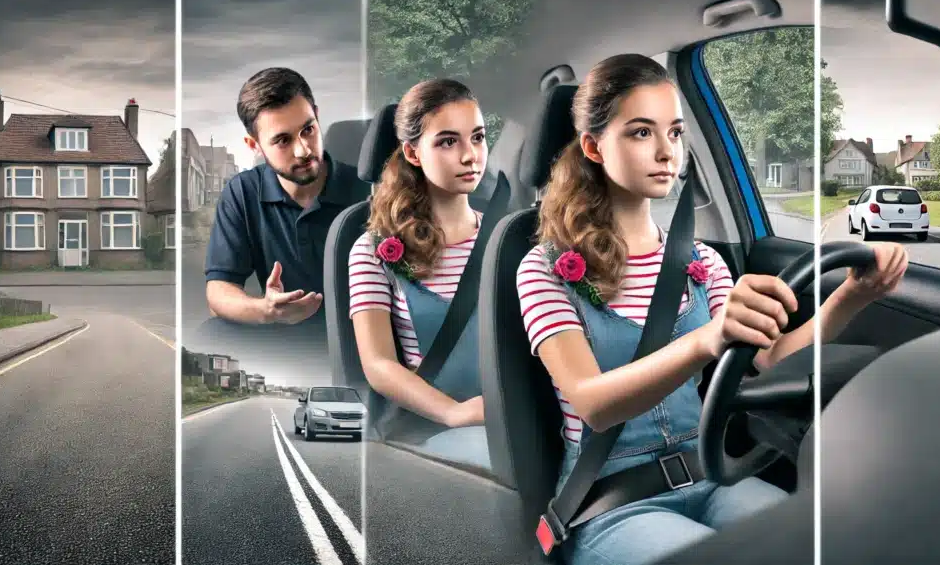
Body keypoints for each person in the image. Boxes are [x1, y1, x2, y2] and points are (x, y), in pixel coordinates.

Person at [516, 53, 909, 565]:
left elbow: (770, 359)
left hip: (711, 472)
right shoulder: (543, 269)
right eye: (640, 133)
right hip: (612, 500)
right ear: (593, 147)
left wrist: (852, 296)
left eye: (675, 133)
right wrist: (705, 339)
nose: (665, 151)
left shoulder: (701, 261)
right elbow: (592, 404)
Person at [347, 78, 492, 469]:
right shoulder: (373, 252)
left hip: (517, 418)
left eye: (477, 137)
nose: (469, 155)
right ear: (412, 152)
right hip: (437, 429)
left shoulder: (509, 240)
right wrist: (453, 413)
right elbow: (378, 364)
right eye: (448, 141)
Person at [198, 68, 370, 354]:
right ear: (254, 145)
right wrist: (266, 311)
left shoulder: (369, 190)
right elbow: (219, 292)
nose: (303, 150)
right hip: (282, 337)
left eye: (308, 130)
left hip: (361, 338)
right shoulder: (242, 193)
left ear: (316, 114)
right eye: (283, 140)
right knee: (209, 336)